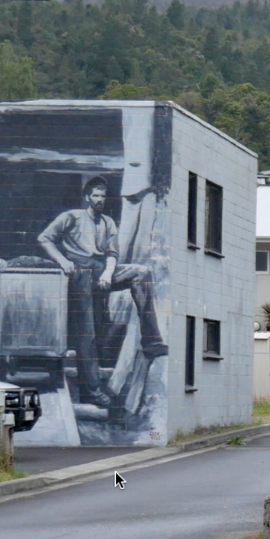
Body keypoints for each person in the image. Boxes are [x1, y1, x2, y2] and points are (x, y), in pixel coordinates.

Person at [38, 175, 167, 410]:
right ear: (87, 197)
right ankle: (93, 390)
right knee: (87, 332)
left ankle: (151, 340)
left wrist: (108, 274)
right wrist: (62, 260)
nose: (99, 199)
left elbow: (111, 253)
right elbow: (45, 238)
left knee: (141, 272)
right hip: (78, 273)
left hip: (99, 269)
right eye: (95, 195)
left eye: (102, 195)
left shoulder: (107, 222)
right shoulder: (71, 217)